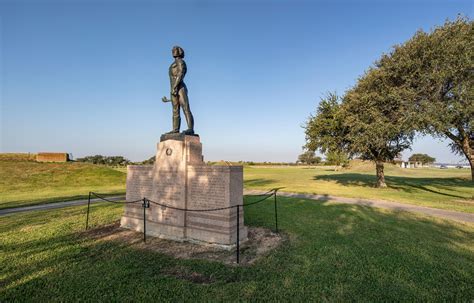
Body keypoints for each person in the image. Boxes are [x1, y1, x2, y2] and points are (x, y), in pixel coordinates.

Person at [162, 46, 194, 135]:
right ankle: (175, 129)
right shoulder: (173, 64)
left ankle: (190, 129)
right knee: (175, 110)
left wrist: (175, 87)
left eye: (175, 50)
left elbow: (180, 74)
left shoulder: (181, 62)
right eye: (172, 50)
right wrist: (169, 99)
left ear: (179, 52)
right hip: (174, 88)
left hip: (179, 88)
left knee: (185, 108)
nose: (172, 51)